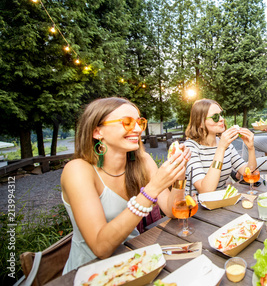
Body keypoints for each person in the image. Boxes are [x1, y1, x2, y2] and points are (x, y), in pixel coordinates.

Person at [61, 97, 190, 273]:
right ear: (97, 132)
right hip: (89, 273)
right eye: (127, 123)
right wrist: (151, 189)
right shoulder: (78, 170)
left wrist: (179, 171)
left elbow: (172, 210)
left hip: (134, 263)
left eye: (139, 122)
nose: (137, 129)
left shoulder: (142, 161)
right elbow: (101, 248)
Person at [183, 99, 257, 194]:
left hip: (220, 202)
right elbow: (205, 190)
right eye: (215, 117)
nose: (222, 119)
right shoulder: (190, 148)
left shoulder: (225, 144)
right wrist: (221, 149)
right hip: (197, 205)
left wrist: (251, 148)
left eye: (222, 114)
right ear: (200, 122)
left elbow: (250, 174)